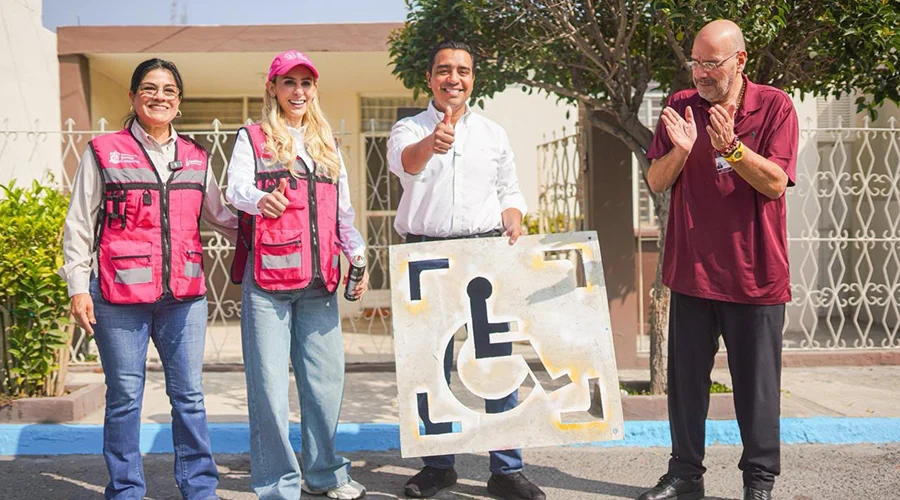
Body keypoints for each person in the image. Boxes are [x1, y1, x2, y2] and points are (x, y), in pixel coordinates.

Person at [60, 58, 237, 500]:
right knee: (124, 398)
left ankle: (199, 488)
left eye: (169, 91)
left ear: (179, 101)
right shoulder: (104, 150)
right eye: (150, 88)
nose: (160, 97)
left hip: (184, 296)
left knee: (189, 397)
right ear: (134, 96)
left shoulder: (196, 156)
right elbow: (79, 224)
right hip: (118, 296)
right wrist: (78, 288)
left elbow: (221, 216)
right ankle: (125, 490)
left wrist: (274, 221)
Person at [636, 20, 798, 500]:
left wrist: (732, 147)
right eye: (695, 62)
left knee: (757, 391)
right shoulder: (681, 107)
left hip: (756, 275)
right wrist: (683, 150)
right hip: (692, 273)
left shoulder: (774, 106)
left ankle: (759, 481)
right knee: (686, 387)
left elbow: (774, 182)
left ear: (740, 61)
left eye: (712, 63)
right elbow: (656, 181)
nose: (701, 73)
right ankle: (686, 475)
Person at [387, 40, 545, 500]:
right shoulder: (407, 129)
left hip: (483, 254)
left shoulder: (494, 133)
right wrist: (431, 143)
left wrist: (513, 213)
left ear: (473, 78)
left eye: (463, 70)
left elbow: (509, 189)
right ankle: (438, 467)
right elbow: (406, 164)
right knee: (432, 367)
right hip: (426, 255)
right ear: (429, 78)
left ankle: (507, 469)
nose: (453, 78)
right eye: (444, 70)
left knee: (495, 361)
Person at [225, 50, 369, 500]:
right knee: (268, 387)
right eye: (289, 82)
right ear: (273, 87)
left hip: (320, 281)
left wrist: (358, 258)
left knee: (325, 383)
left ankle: (325, 473)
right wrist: (260, 199)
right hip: (268, 281)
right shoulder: (252, 137)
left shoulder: (327, 144)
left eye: (306, 83)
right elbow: (235, 188)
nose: (298, 91)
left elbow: (342, 213)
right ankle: (276, 484)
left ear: (314, 89)